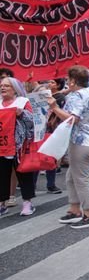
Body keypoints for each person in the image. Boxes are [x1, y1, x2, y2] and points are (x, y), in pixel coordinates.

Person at [48, 66, 89, 229]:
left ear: (72, 81)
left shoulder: (77, 96)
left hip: (81, 142)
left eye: (68, 79)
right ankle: (74, 210)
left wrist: (55, 107)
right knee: (71, 177)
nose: (66, 82)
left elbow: (73, 119)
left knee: (81, 179)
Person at [0, 77, 35, 217]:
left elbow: (32, 121)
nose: (3, 88)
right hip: (2, 145)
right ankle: (2, 203)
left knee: (23, 174)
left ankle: (28, 203)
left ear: (14, 88)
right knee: (2, 175)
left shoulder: (22, 102)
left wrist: (22, 114)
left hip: (19, 145)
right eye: (2, 85)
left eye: (7, 86)